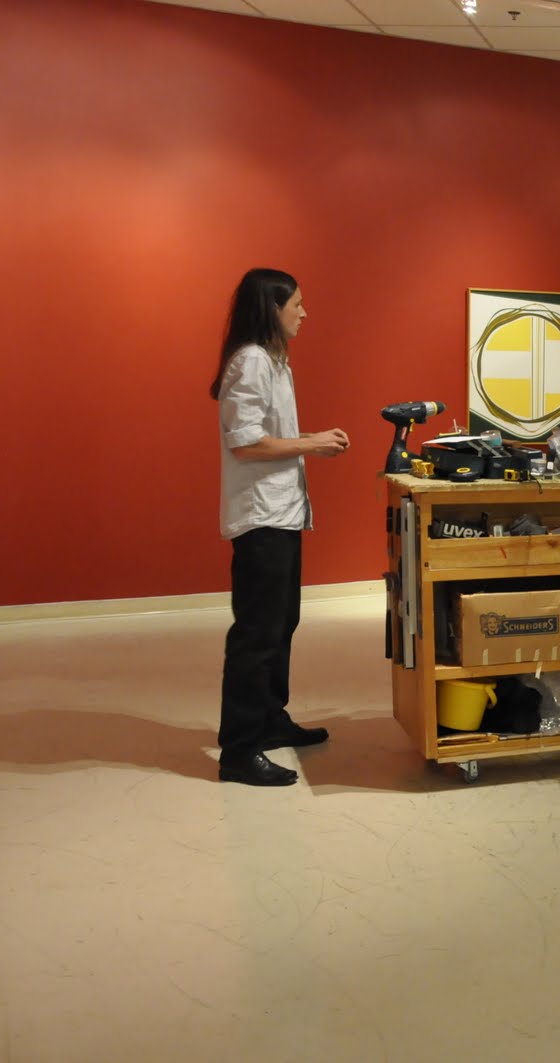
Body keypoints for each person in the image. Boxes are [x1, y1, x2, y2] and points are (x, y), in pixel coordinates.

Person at [210, 269, 350, 785]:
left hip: (282, 513)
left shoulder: (274, 361)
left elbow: (264, 437)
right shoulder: (251, 361)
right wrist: (312, 443)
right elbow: (245, 443)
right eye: (297, 304)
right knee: (257, 634)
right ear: (272, 308)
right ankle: (239, 751)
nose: (304, 313)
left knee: (281, 623)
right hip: (261, 517)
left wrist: (309, 439)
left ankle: (269, 720)